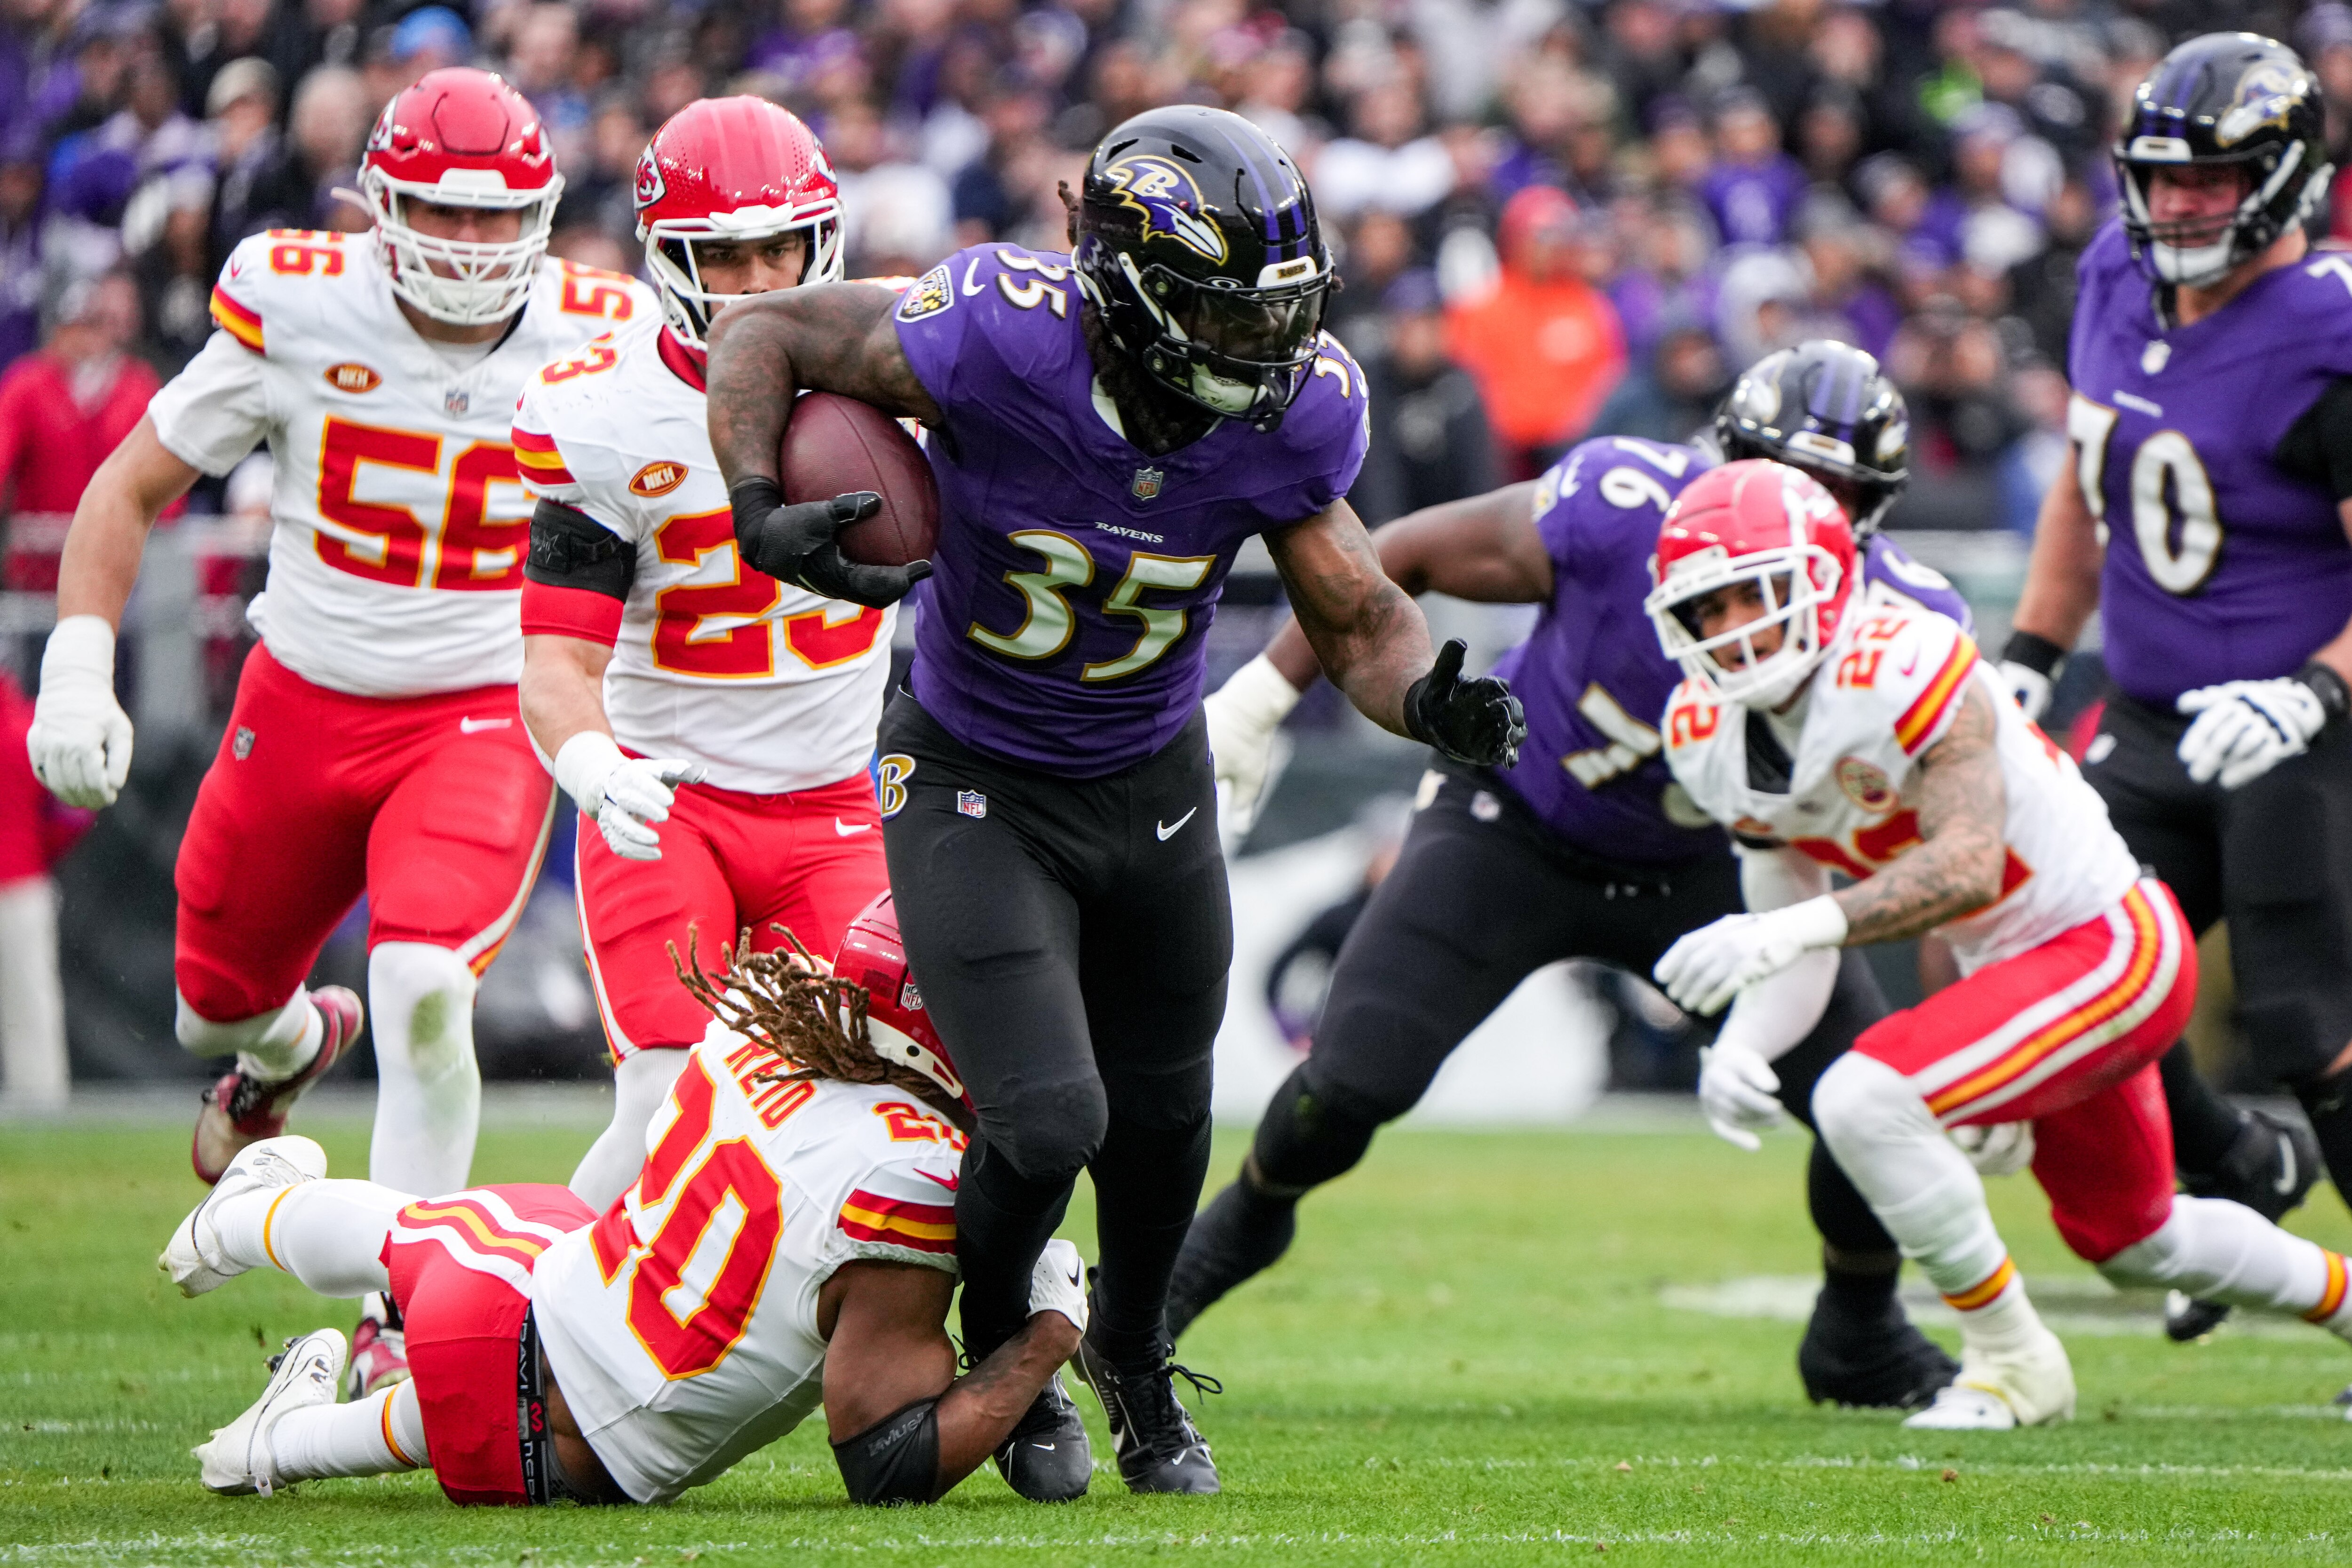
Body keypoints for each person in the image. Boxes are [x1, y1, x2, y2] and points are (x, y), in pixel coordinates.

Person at [701, 105, 1526, 1499]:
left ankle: (1135, 1362)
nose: (1273, 353)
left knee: (1166, 1114)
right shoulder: (996, 331)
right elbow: (759, 334)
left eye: (1285, 317)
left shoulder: (1295, 411)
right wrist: (752, 499)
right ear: (1136, 295)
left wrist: (1425, 698)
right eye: (1233, 317)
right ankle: (1007, 1341)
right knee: (1046, 1118)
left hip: (1149, 776)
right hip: (972, 771)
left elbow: (1360, 611)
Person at [1183, 342, 1969, 1411]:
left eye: (1831, 495)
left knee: (1869, 1097)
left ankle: (1859, 1333)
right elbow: (1399, 551)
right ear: (1720, 460)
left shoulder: (1902, 623)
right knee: (1349, 1085)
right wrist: (1261, 699)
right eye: (1780, 478)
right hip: (1518, 824)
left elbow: (1942, 809)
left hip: (1718, 870)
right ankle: (1175, 1285)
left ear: (1872, 512)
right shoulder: (1625, 507)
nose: (1797, 515)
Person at [27, 68, 651, 1395]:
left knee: (429, 992)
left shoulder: (605, 329)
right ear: (382, 205)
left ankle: (400, 1313)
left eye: (501, 220)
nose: (474, 246)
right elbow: (131, 485)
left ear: (544, 216)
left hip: (486, 705)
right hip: (302, 691)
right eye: (443, 214)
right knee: (208, 1008)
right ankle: (288, 1046)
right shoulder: (299, 300)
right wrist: (81, 662)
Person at [1647, 459, 2352, 1431]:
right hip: (2020, 969)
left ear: (1820, 577)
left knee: (1862, 1094)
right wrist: (1744, 1043)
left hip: (2107, 942)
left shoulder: (1899, 658)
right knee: (2136, 1238)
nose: (1729, 629)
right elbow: (1791, 921)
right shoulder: (1702, 731)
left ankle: (2012, 1361)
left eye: (1750, 596)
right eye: (1705, 609)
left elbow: (1967, 864)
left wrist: (1776, 932)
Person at [159, 896, 1092, 1508]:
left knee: (474, 1238)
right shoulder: (911, 1177)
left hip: (512, 1338)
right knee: (475, 1272)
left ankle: (256, 1227)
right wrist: (1048, 1332)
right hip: (552, 1463)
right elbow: (885, 1457)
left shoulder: (766, 1017)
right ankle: (254, 1318)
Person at [1996, 33, 2344, 1340]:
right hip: (2145, 717)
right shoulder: (2109, 277)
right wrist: (2032, 652)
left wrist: (2313, 695)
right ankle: (2230, 1176)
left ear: (2289, 179)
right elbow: (2092, 496)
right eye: (2165, 178)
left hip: (2302, 725)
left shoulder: (2330, 331)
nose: (2184, 203)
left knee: (2311, 1011)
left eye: (2217, 179)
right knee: (2074, 972)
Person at [513, 96, 891, 1213]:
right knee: (670, 1103)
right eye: (725, 254)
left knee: (891, 1105)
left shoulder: (899, 371)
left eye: (781, 245)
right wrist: (595, 767)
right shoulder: (606, 411)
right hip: (669, 799)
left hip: (835, 808)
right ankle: (473, 1319)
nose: (761, 277)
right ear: (669, 258)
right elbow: (557, 662)